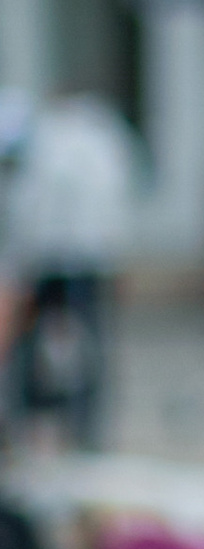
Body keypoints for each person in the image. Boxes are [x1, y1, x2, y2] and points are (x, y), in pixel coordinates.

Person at [6, 88, 141, 447]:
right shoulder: (95, 139)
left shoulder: (56, 140)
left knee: (67, 342)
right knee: (65, 342)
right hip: (75, 257)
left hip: (59, 257)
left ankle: (61, 419)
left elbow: (34, 205)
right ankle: (63, 419)